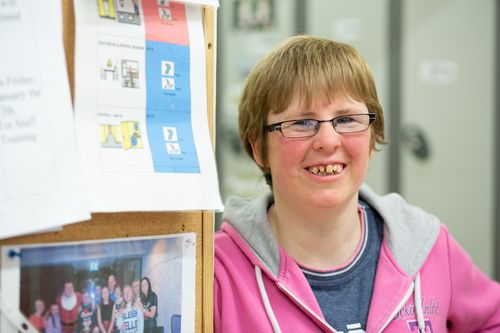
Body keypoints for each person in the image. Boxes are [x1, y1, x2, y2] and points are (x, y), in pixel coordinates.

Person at [213, 35, 500, 332]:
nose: (327, 140)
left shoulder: (427, 245)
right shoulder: (215, 273)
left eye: (347, 119)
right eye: (301, 122)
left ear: (372, 137)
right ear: (259, 148)